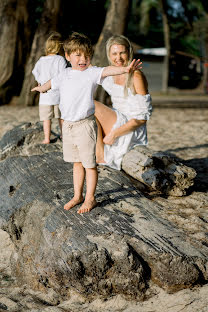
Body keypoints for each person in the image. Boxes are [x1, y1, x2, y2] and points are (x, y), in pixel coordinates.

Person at [31, 32, 142, 214]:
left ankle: (90, 197)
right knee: (76, 163)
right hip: (68, 126)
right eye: (78, 55)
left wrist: (125, 69)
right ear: (67, 56)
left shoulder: (91, 73)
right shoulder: (64, 74)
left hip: (85, 125)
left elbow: (107, 70)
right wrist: (42, 88)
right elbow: (52, 82)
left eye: (87, 55)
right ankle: (77, 195)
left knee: (90, 164)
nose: (83, 59)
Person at [95, 35, 152, 170]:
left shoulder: (136, 76)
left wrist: (114, 134)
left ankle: (100, 155)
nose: (118, 58)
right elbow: (88, 71)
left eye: (122, 53)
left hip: (130, 128)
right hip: (117, 120)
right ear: (109, 55)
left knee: (91, 105)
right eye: (114, 53)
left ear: (129, 52)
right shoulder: (110, 74)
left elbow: (142, 118)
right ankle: (97, 152)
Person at [32, 32, 67, 144]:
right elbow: (63, 75)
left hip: (45, 96)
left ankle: (47, 138)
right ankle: (64, 135)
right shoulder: (60, 59)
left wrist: (39, 82)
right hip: (58, 95)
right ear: (60, 47)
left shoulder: (41, 60)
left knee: (46, 118)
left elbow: (35, 72)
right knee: (61, 117)